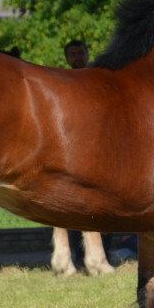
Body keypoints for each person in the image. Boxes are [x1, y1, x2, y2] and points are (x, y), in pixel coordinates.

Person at [62, 39, 114, 261]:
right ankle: (76, 255)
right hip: (73, 150)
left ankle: (105, 252)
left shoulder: (98, 77)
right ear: (67, 58)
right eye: (72, 54)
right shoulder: (62, 82)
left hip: (100, 148)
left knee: (106, 203)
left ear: (87, 53)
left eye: (80, 52)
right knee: (74, 204)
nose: (77, 57)